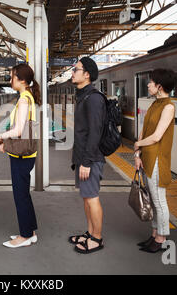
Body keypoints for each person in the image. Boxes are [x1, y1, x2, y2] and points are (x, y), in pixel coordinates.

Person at [0, 63, 41, 248]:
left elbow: (19, 130)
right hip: (26, 154)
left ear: (21, 79)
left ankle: (24, 236)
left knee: (20, 194)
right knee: (24, 194)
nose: (10, 80)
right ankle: (29, 231)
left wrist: (1, 136)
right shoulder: (27, 96)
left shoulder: (24, 99)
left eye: (12, 76)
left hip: (21, 156)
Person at [134, 68, 176, 253]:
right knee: (152, 199)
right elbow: (145, 130)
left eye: (151, 82)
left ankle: (161, 238)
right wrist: (138, 153)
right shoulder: (154, 104)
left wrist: (137, 143)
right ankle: (153, 235)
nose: (148, 84)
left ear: (159, 86)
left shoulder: (168, 107)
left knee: (159, 201)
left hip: (158, 159)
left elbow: (157, 136)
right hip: (147, 157)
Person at [68, 57, 106, 254]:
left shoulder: (94, 98)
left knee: (92, 198)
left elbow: (95, 132)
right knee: (86, 197)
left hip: (90, 159)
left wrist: (87, 162)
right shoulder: (83, 96)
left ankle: (97, 239)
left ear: (87, 74)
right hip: (83, 157)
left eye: (76, 69)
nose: (73, 72)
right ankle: (90, 233)